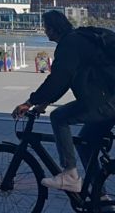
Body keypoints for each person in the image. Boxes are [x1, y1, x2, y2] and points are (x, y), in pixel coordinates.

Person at [12, 11, 115, 193]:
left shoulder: (69, 44)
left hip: (105, 102)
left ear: (52, 29)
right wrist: (43, 103)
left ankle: (70, 175)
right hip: (108, 99)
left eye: (46, 28)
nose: (45, 32)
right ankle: (101, 198)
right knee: (85, 144)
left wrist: (29, 102)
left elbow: (57, 79)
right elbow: (65, 81)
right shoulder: (78, 39)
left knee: (59, 117)